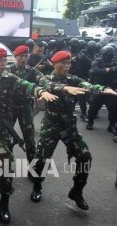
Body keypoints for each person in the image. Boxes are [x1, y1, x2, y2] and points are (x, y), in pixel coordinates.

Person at [0, 48, 57, 224]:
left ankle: (4, 203)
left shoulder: (11, 79)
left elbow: (26, 85)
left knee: (7, 163)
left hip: (2, 127)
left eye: (5, 61)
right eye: (0, 61)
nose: (4, 64)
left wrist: (40, 92)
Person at [30, 51, 117, 211]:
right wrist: (65, 89)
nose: (67, 66)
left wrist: (101, 88)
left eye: (69, 63)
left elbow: (86, 85)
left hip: (69, 126)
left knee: (85, 157)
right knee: (42, 160)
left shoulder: (73, 79)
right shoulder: (46, 78)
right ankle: (37, 185)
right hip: (51, 125)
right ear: (55, 64)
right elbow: (49, 86)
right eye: (63, 63)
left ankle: (76, 192)